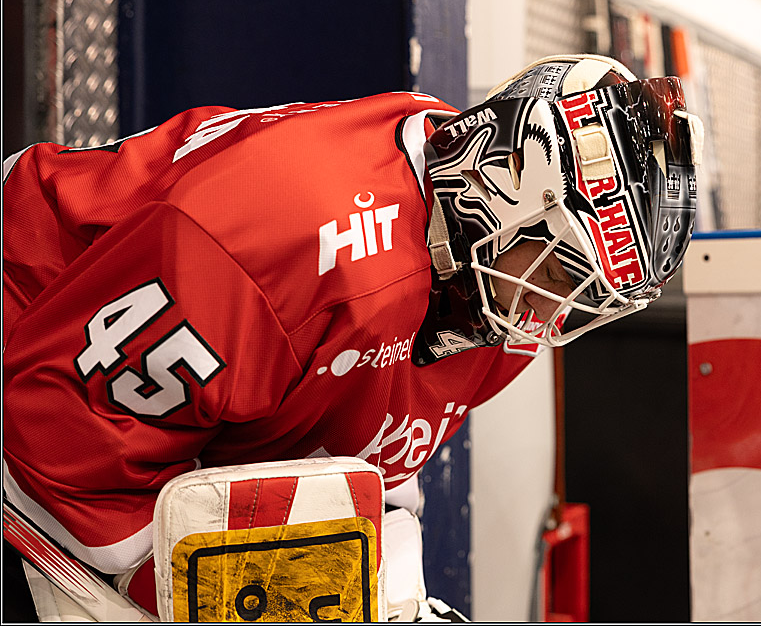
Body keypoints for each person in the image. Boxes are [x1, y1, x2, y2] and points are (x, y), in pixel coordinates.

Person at [2, 54, 699, 620]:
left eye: (590, 299)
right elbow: (51, 438)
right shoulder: (290, 238)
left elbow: (373, 458)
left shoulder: (489, 283)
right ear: (504, 181)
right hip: (32, 349)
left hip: (121, 408)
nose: (557, 309)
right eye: (561, 265)